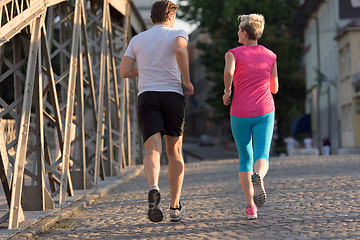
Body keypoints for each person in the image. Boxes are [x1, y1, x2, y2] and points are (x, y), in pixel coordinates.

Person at [120, 0, 194, 223]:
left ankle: (153, 186)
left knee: (153, 149)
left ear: (152, 17)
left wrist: (145, 69)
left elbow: (124, 71)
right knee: (175, 152)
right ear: (170, 17)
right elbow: (180, 48)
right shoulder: (177, 33)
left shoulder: (137, 39)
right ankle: (174, 206)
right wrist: (187, 82)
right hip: (172, 95)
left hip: (148, 96)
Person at [222, 14, 278, 220]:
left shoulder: (233, 53)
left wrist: (227, 92)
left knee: (245, 158)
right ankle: (260, 177)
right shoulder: (271, 55)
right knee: (262, 154)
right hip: (264, 110)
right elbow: (275, 88)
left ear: (245, 34)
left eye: (239, 30)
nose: (237, 33)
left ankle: (250, 207)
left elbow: (229, 72)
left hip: (239, 112)